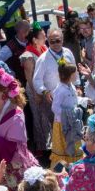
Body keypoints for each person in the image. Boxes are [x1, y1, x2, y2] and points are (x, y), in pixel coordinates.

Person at [30, 28, 72, 157]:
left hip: (69, 97)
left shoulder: (68, 53)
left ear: (62, 40)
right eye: (52, 41)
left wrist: (77, 87)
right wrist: (44, 92)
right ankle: (60, 154)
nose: (55, 43)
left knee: (71, 125)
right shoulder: (43, 59)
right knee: (58, 128)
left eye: (58, 40)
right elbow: (36, 80)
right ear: (48, 41)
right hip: (53, 101)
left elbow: (74, 72)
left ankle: (71, 150)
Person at [49, 58, 85, 168]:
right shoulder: (60, 90)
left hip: (72, 122)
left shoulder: (71, 87)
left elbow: (73, 101)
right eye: (74, 74)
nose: (76, 75)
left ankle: (74, 167)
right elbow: (55, 108)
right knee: (63, 147)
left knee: (74, 145)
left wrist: (84, 101)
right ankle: (60, 170)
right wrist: (69, 113)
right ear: (68, 75)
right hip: (62, 124)